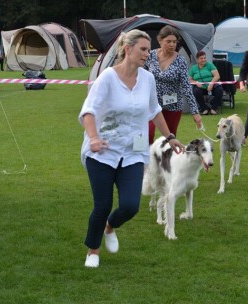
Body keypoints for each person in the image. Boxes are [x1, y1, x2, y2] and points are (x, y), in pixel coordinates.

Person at [78, 29, 185, 268]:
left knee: (130, 206)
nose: (148, 54)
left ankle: (110, 227)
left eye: (149, 50)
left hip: (134, 151)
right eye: (143, 50)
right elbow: (88, 111)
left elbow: (154, 110)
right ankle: (93, 250)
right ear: (128, 50)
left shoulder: (147, 79)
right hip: (102, 150)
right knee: (102, 205)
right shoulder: (107, 77)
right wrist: (94, 138)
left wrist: (170, 137)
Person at [144, 25, 203, 144]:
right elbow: (141, 77)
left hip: (172, 105)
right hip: (151, 103)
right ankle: (142, 160)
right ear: (160, 40)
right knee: (147, 134)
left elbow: (187, 88)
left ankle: (168, 161)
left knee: (170, 138)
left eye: (174, 42)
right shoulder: (150, 56)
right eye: (168, 41)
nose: (172, 45)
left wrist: (195, 112)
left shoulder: (180, 61)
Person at [189, 51, 224, 115]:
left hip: (211, 85)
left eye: (204, 58)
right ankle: (204, 109)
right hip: (200, 87)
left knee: (219, 90)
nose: (204, 60)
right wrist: (196, 82)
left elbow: (217, 76)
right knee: (196, 91)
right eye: (201, 58)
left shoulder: (210, 65)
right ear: (197, 60)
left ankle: (213, 108)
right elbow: (189, 79)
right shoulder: (193, 68)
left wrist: (211, 84)